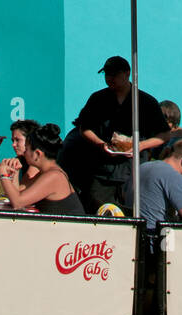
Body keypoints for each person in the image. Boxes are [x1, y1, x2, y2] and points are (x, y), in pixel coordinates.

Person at [71, 56, 169, 212]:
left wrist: (140, 146)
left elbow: (164, 135)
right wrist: (100, 143)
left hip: (133, 174)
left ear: (127, 73)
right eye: (107, 75)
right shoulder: (98, 99)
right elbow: (84, 128)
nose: (110, 79)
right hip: (102, 173)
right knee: (99, 213)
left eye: (114, 74)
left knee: (132, 216)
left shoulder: (145, 101)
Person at [0, 122, 84, 215]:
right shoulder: (46, 173)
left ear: (38, 153)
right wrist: (15, 172)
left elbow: (17, 203)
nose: (24, 153)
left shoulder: (54, 176)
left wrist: (3, 174)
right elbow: (18, 194)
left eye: (26, 149)